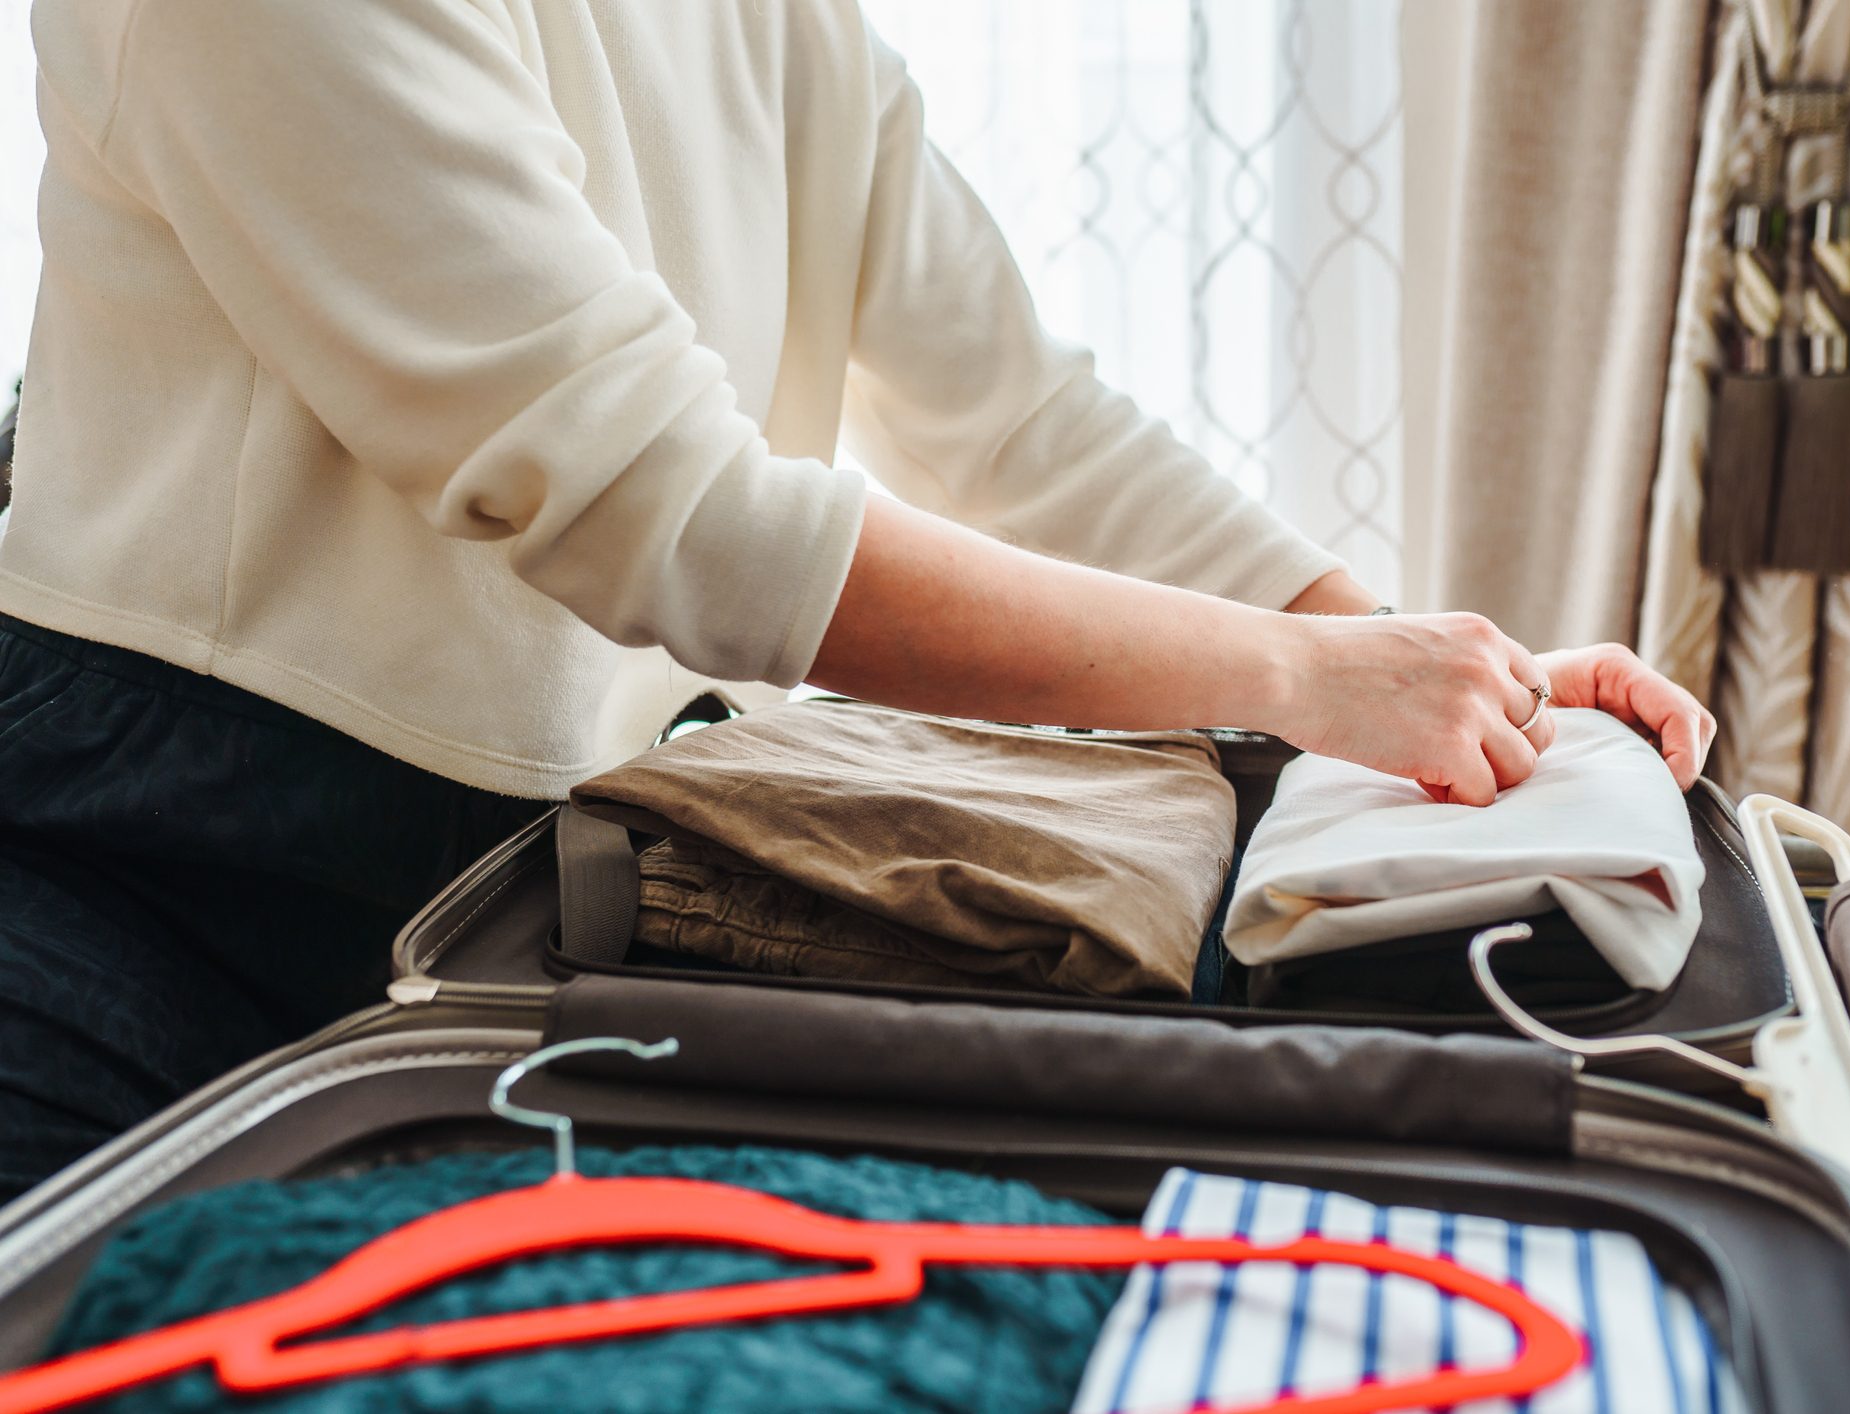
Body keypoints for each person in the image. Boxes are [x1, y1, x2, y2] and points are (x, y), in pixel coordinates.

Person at [0, 0, 1714, 1201]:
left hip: (577, 844)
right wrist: (1299, 674)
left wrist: (1405, 667)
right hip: (168, 852)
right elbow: (668, 513)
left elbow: (1023, 422)